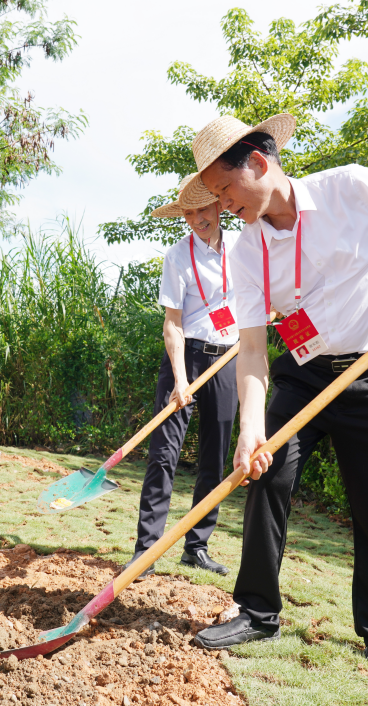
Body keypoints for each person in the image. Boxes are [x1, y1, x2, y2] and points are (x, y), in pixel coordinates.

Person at [186, 114, 368, 674]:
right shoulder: (245, 251)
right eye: (214, 195)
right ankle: (257, 610)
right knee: (267, 474)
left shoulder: (349, 187)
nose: (223, 205)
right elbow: (255, 349)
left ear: (258, 164)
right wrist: (252, 429)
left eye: (226, 190)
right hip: (305, 375)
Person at [125, 174, 240, 579]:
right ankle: (146, 551)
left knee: (215, 456)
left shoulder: (243, 248)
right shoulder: (177, 256)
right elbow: (172, 324)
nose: (196, 219)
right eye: (188, 213)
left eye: (202, 210)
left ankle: (197, 546)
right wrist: (179, 379)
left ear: (219, 207)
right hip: (186, 358)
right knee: (163, 455)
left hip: (228, 359)